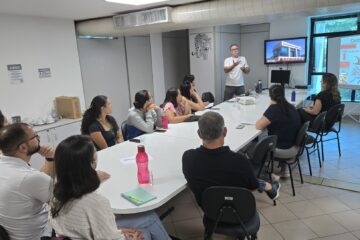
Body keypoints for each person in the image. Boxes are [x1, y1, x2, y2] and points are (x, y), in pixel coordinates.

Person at [50, 135, 171, 240]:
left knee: (144, 224)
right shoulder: (95, 202)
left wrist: (116, 229)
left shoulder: (58, 192)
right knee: (146, 225)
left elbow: (86, 229)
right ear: (91, 163)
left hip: (75, 235)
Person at [182, 112, 280, 207]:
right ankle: (268, 186)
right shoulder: (239, 161)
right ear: (225, 131)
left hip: (209, 212)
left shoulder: (188, 158)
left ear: (199, 134)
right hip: (240, 212)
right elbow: (253, 186)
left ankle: (268, 186)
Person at [0, 123, 55, 240]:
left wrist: (50, 158)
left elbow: (36, 183)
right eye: (35, 136)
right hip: (40, 234)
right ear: (23, 148)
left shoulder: (5, 165)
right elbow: (65, 201)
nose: (38, 138)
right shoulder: (28, 177)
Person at [255, 85, 301, 177]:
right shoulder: (290, 107)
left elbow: (258, 126)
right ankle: (284, 170)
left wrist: (270, 106)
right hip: (294, 145)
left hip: (283, 148)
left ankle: (258, 172)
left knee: (252, 147)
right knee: (281, 131)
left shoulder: (274, 109)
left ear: (270, 96)